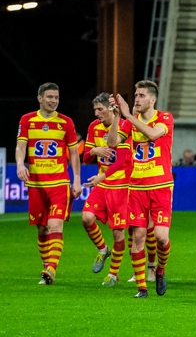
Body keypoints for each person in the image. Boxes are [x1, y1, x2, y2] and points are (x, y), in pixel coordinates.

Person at [16, 82, 81, 285]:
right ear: (40, 98)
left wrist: (76, 179)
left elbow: (73, 153)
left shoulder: (66, 122)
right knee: (42, 229)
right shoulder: (27, 120)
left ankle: (51, 268)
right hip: (36, 185)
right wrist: (20, 164)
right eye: (50, 97)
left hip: (59, 183)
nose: (54, 101)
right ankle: (46, 267)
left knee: (54, 225)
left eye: (56, 97)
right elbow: (21, 146)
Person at [114, 82, 174, 298]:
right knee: (138, 237)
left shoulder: (165, 118)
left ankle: (160, 270)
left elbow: (153, 135)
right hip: (137, 188)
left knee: (161, 237)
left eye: (141, 95)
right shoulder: (130, 122)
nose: (137, 99)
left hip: (161, 187)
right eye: (136, 95)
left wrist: (128, 116)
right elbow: (112, 142)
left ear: (152, 100)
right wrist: (117, 118)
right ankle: (142, 287)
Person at [81, 93, 130, 286]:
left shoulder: (125, 126)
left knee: (118, 234)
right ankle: (103, 249)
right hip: (102, 185)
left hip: (121, 186)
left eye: (99, 109)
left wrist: (101, 176)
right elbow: (86, 158)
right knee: (86, 218)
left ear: (110, 109)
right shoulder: (93, 127)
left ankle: (113, 274)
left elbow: (122, 161)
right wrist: (95, 150)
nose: (96, 113)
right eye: (95, 109)